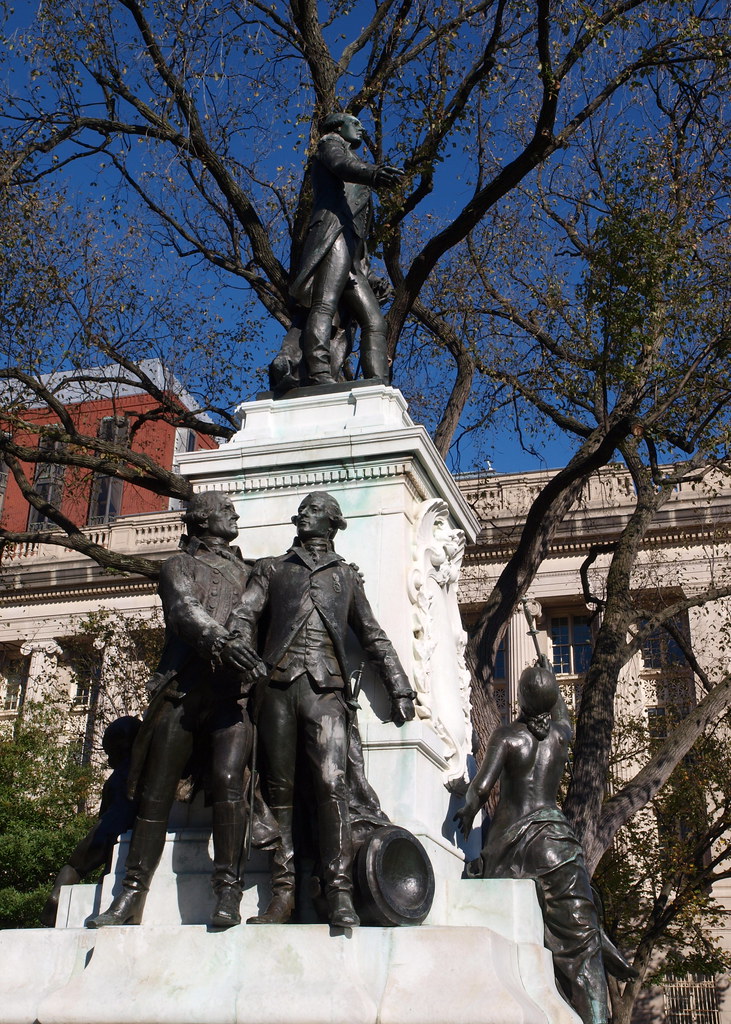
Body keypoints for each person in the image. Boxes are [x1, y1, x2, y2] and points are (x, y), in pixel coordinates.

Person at [227, 491, 416, 928]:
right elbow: (245, 614)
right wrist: (237, 642)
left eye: (313, 510)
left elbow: (372, 634)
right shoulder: (272, 568)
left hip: (327, 690)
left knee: (333, 785)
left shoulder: (346, 577)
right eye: (303, 510)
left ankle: (339, 889)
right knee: (280, 792)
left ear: (332, 522)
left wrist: (400, 688)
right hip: (277, 687)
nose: (303, 515)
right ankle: (283, 893)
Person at [87, 492, 266, 930]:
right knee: (156, 789)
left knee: (230, 784)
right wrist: (222, 642)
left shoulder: (251, 572)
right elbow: (185, 611)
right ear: (202, 519)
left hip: (232, 697)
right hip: (182, 690)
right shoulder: (178, 565)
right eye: (225, 510)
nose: (235, 515)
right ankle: (132, 892)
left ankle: (228, 891)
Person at [455, 664, 610, 1024]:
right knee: (583, 944)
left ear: (521, 698)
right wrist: (550, 676)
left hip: (514, 845)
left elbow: (481, 788)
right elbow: (564, 716)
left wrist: (464, 812)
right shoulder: (561, 735)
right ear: (552, 700)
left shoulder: (508, 736)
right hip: (556, 843)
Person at [289, 112, 403, 386]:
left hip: (353, 252)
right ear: (338, 127)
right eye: (355, 124)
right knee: (324, 304)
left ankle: (378, 385)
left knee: (375, 322)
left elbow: (359, 231)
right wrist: (373, 173)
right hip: (333, 234)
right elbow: (341, 165)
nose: (361, 129)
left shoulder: (355, 166)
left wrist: (369, 274)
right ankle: (318, 372)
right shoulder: (330, 144)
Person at [41, 715, 141, 927]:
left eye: (110, 754)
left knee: (75, 866)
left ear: (121, 748)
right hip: (129, 829)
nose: (109, 761)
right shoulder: (145, 770)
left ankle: (57, 895)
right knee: (103, 865)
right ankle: (60, 898)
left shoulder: (115, 779)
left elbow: (104, 816)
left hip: (107, 829)